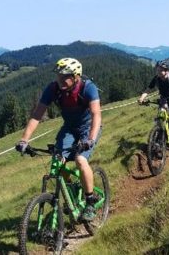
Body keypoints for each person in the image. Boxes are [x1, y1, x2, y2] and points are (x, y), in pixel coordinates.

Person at [15, 57, 102, 221]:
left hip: (88, 128)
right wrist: (24, 140)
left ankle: (90, 201)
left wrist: (90, 139)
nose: (60, 79)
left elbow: (96, 114)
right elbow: (36, 116)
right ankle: (72, 193)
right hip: (69, 128)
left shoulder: (88, 88)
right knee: (57, 161)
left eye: (65, 76)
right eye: (58, 76)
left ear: (76, 76)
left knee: (80, 160)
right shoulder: (53, 89)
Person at [138, 61, 169, 147]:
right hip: (163, 99)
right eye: (157, 70)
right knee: (160, 116)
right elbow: (148, 89)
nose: (158, 72)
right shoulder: (156, 78)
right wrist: (142, 98)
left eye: (160, 70)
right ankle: (160, 135)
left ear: (166, 71)